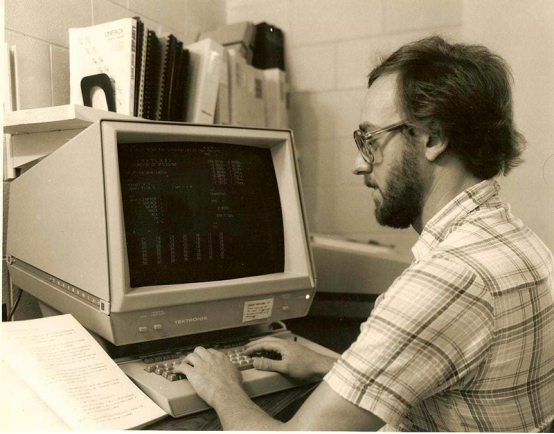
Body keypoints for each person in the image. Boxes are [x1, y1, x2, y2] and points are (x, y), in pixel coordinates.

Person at [173, 36, 554, 431]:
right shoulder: (515, 238)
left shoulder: (446, 279)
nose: (359, 163)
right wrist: (333, 366)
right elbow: (446, 373)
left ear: (434, 138)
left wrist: (223, 388)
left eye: (370, 140)